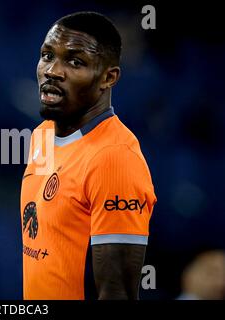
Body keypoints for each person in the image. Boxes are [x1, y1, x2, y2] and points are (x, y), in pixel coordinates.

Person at [20, 11, 157, 299]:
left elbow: (116, 292)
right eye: (47, 55)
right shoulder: (41, 136)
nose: (52, 71)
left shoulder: (114, 159)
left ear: (109, 77)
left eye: (75, 61)